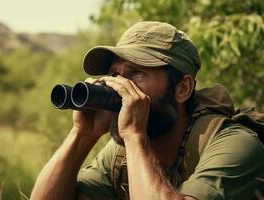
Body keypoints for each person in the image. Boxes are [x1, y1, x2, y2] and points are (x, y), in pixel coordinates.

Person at [30, 21, 264, 200]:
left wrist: (134, 136)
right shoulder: (121, 155)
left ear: (182, 88)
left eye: (137, 73)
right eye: (114, 75)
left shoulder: (235, 144)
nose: (119, 85)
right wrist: (82, 134)